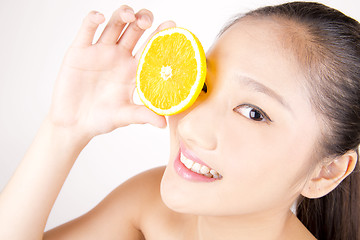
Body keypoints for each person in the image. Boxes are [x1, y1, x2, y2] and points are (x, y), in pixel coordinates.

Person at [0, 1, 359, 239]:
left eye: (254, 113)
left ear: (325, 172)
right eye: (202, 84)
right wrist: (64, 130)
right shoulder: (147, 207)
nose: (189, 126)